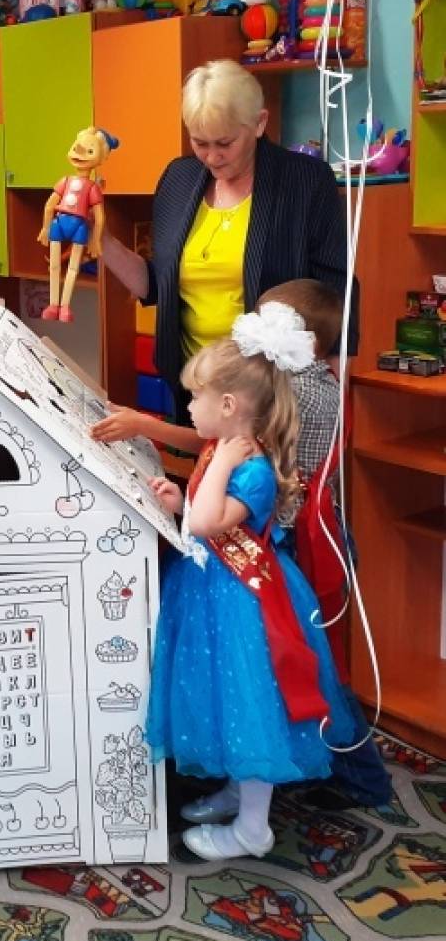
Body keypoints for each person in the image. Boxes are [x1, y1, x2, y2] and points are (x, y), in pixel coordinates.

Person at [146, 303, 359, 861]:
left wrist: (210, 480)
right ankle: (238, 791)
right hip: (215, 591)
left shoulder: (253, 467)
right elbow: (203, 514)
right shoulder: (222, 452)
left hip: (245, 603)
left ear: (228, 405)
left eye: (195, 397)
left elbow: (209, 523)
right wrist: (180, 499)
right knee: (225, 702)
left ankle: (251, 829)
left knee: (251, 708)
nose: (188, 407)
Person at [91, 58, 355, 449]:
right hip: (196, 387)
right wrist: (101, 240)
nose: (212, 157)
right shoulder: (178, 180)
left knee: (254, 484)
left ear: (260, 123)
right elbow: (157, 286)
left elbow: (338, 291)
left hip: (274, 391)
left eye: (225, 143)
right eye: (200, 143)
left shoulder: (304, 181)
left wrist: (334, 394)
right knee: (202, 483)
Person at [252, 279, 393, 808]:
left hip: (304, 540)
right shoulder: (308, 382)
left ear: (304, 341)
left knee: (319, 663)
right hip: (308, 532)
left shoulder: (298, 393)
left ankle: (362, 779)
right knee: (308, 657)